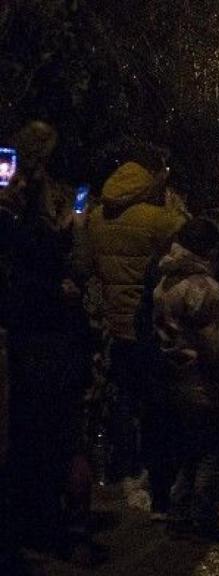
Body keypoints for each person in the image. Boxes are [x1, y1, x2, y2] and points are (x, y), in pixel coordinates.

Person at [4, 122, 104, 564]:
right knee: (55, 433)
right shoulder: (22, 214)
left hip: (39, 331)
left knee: (38, 432)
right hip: (42, 331)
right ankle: (56, 525)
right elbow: (50, 262)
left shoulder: (35, 204)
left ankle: (43, 522)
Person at [88, 153, 185, 492]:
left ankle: (123, 465)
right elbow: (190, 238)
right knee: (157, 399)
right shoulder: (157, 218)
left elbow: (86, 263)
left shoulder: (96, 218)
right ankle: (154, 468)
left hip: (112, 325)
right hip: (147, 322)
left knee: (122, 398)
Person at [153, 217, 219, 541]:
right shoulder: (205, 289)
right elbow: (217, 346)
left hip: (173, 377)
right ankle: (203, 516)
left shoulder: (165, 283)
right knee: (211, 451)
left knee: (187, 451)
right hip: (204, 381)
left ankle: (178, 512)